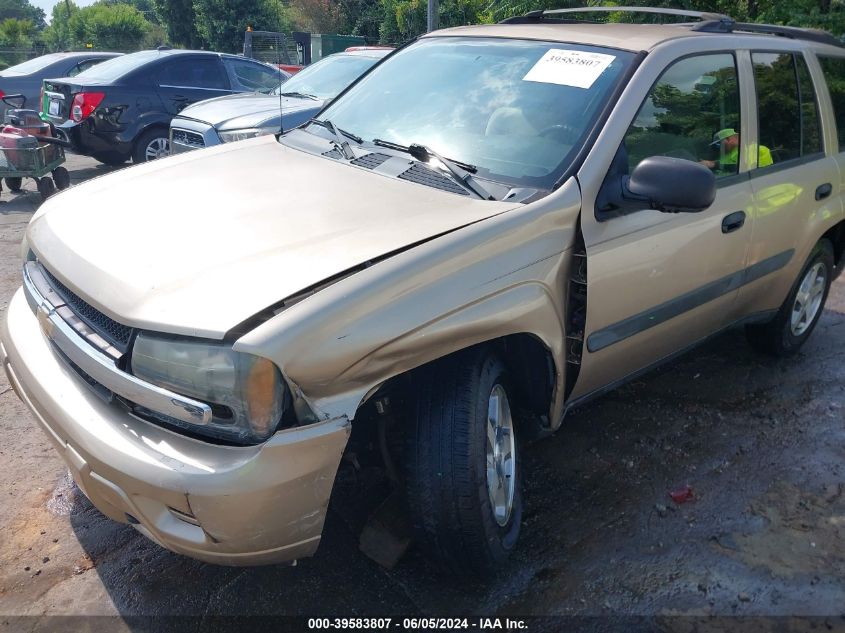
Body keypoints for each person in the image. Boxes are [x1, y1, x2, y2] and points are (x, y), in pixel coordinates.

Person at [700, 128, 773, 173]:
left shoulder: (758, 149)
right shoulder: (726, 156)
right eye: (716, 145)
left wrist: (714, 164)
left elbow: (748, 169)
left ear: (729, 139)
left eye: (719, 143)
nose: (718, 147)